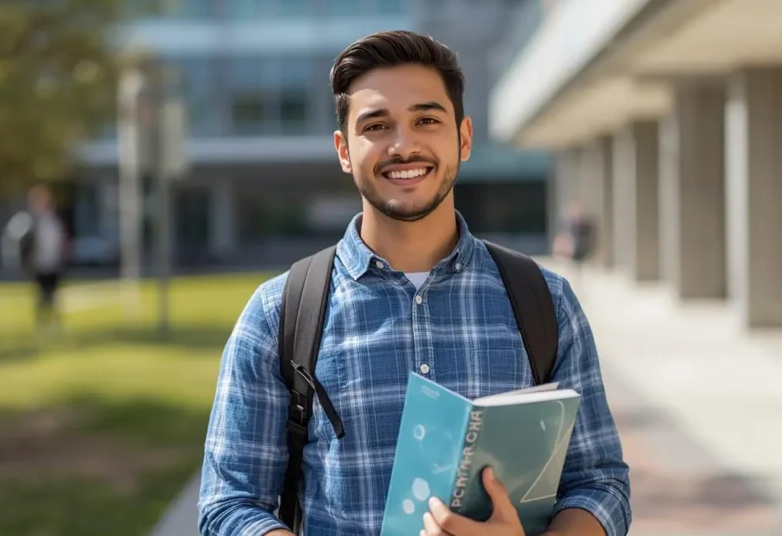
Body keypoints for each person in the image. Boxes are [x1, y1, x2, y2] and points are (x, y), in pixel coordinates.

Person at [198, 30, 631, 536]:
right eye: (376, 126)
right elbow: (229, 505)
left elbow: (599, 483)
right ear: (343, 150)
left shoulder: (545, 301)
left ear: (463, 138)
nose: (403, 146)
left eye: (426, 120)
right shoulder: (279, 315)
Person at [2, 185, 71, 332]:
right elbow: (21, 241)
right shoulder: (30, 221)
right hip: (39, 263)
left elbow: (60, 238)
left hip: (54, 261)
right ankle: (42, 323)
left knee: (53, 294)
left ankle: (54, 322)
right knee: (42, 294)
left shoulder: (54, 219)